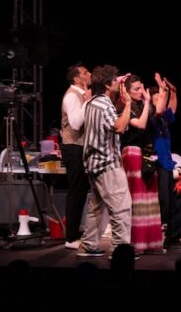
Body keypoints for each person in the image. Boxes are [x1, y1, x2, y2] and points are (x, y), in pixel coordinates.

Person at [79, 65, 134, 256]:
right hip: (107, 164)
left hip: (94, 164)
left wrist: (120, 86)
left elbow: (110, 123)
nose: (118, 83)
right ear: (107, 85)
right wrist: (128, 104)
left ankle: (88, 245)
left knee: (97, 208)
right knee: (121, 207)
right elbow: (119, 127)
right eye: (115, 80)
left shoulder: (93, 103)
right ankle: (120, 250)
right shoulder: (104, 105)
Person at [118, 75, 165, 254]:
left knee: (150, 199)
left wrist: (163, 91)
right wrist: (146, 103)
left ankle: (151, 243)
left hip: (146, 154)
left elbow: (159, 111)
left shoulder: (142, 105)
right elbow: (140, 125)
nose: (140, 91)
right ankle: (136, 244)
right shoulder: (125, 106)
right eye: (136, 89)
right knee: (137, 200)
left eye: (140, 88)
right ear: (127, 92)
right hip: (132, 153)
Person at [148, 72, 181, 250]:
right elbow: (160, 110)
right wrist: (163, 91)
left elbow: (172, 109)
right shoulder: (152, 117)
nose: (161, 101)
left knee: (179, 202)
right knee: (164, 203)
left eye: (161, 98)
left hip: (168, 164)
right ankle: (155, 237)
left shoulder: (164, 118)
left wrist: (173, 92)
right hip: (157, 165)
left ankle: (173, 238)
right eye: (157, 99)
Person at [60, 62, 92, 249]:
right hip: (73, 148)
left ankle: (75, 234)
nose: (89, 74)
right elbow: (75, 124)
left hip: (81, 147)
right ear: (77, 79)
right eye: (86, 72)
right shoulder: (72, 96)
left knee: (81, 192)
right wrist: (87, 102)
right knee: (76, 192)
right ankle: (71, 238)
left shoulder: (82, 94)